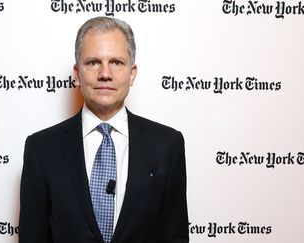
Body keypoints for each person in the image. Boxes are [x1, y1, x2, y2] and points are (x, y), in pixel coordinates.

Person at [19, 16, 189, 243]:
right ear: (77, 75)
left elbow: (174, 237)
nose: (105, 73)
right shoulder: (41, 149)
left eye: (117, 62)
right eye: (93, 62)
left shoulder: (168, 145)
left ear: (132, 73)